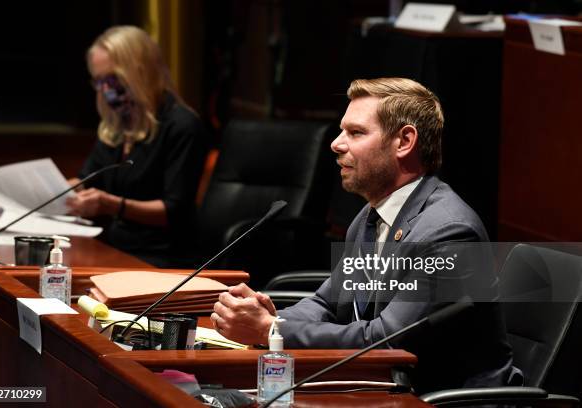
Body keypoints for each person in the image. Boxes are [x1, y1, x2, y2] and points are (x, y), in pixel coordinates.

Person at [211, 78, 515, 393]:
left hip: (437, 396)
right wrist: (267, 316)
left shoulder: (449, 233)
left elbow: (386, 338)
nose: (336, 144)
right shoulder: (372, 216)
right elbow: (328, 303)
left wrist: (271, 330)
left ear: (404, 142)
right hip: (379, 382)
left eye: (356, 133)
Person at [66, 26, 207, 267]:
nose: (107, 91)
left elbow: (173, 211)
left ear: (141, 72)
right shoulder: (116, 127)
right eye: (99, 82)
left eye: (113, 79)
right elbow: (87, 181)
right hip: (114, 247)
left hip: (161, 258)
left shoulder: (182, 125)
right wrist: (54, 190)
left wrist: (111, 204)